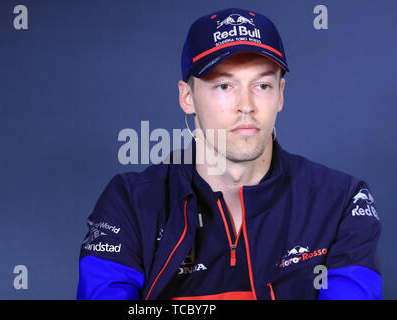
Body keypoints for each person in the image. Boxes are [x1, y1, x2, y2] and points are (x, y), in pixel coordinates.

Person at [76, 8, 381, 300]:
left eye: (261, 85)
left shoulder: (342, 200)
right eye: (224, 86)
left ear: (280, 95)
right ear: (187, 97)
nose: (246, 105)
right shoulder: (130, 201)